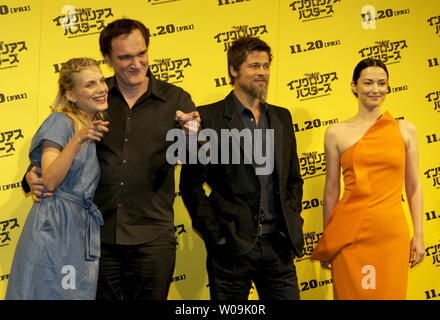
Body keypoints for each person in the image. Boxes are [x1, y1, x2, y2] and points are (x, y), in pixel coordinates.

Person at [22, 18, 200, 300]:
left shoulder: (175, 99)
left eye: (141, 54)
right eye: (125, 57)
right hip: (96, 238)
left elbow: (199, 158)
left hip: (152, 237)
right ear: (108, 59)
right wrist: (32, 175)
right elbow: (60, 145)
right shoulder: (94, 98)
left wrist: (193, 136)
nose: (136, 63)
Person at [180, 36, 304, 300]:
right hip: (231, 249)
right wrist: (217, 236)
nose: (262, 72)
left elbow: (293, 178)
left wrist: (291, 218)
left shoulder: (281, 117)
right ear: (233, 70)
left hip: (279, 246)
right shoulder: (209, 118)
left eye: (266, 66)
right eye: (254, 66)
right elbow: (191, 185)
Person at [310, 58, 425, 299]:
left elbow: (413, 186)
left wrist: (419, 234)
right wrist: (329, 238)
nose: (376, 89)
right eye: (368, 83)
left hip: (391, 235)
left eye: (382, 83)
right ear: (354, 86)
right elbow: (331, 190)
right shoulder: (335, 133)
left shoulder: (406, 130)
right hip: (348, 234)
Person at [6, 57, 109, 299]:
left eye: (102, 81)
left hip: (77, 228)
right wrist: (77, 139)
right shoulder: (60, 122)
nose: (101, 88)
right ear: (71, 95)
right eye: (90, 84)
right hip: (54, 226)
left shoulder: (92, 124)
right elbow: (50, 181)